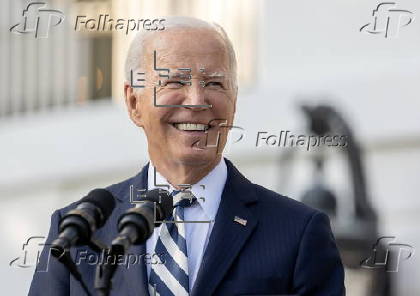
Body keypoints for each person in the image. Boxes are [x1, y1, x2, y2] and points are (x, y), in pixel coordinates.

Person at [29, 16, 345, 296]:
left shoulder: (297, 232)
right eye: (174, 82)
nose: (196, 101)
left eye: (214, 83)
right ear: (134, 102)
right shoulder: (78, 231)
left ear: (233, 101)